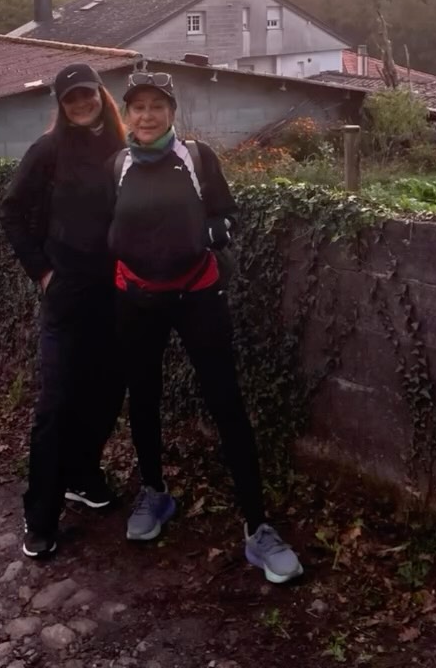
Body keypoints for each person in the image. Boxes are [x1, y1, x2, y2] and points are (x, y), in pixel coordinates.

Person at [110, 71, 303, 585]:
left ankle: (257, 528)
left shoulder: (197, 159)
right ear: (127, 114)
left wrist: (218, 228)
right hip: (137, 299)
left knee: (227, 404)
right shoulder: (119, 164)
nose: (147, 116)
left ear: (172, 112)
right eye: (138, 107)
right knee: (144, 397)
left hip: (197, 295)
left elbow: (227, 213)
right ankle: (155, 493)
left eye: (157, 106)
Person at [0, 62, 126, 560]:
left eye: (86, 94)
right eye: (71, 98)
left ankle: (83, 475)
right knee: (57, 405)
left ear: (100, 94)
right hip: (67, 294)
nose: (80, 104)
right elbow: (10, 210)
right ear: (61, 103)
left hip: (115, 294)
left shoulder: (123, 148)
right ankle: (41, 517)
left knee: (106, 392)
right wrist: (43, 272)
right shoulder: (48, 150)